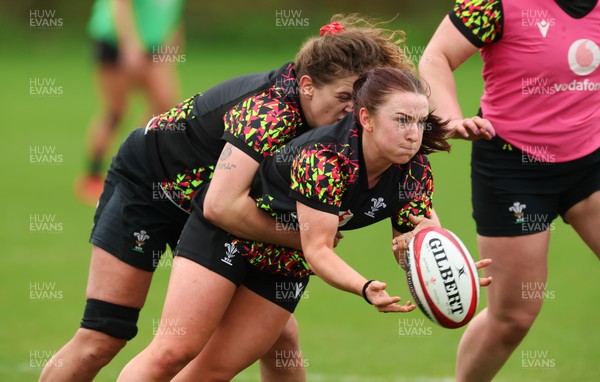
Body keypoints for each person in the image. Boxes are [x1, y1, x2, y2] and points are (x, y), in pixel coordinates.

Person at [40, 15, 415, 382]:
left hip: (211, 208)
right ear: (306, 86)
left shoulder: (334, 132)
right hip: (152, 187)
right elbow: (220, 207)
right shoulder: (271, 112)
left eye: (360, 99)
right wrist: (306, 238)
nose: (352, 111)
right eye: (344, 97)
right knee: (104, 337)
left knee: (280, 336)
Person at [117, 67, 492, 381]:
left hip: (285, 262)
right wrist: (364, 288)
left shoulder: (414, 173)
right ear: (366, 119)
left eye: (421, 122)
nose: (414, 134)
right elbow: (317, 250)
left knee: (211, 373)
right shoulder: (326, 159)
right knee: (172, 352)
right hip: (231, 234)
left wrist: (446, 266)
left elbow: (415, 238)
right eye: (402, 120)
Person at [418, 1, 600, 381]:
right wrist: (450, 118)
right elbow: (436, 56)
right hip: (513, 168)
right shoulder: (494, 4)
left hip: (590, 162)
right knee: (513, 317)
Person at [75, 0, 185, 205]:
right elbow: (119, 5)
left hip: (154, 47)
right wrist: (129, 44)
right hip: (115, 41)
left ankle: (132, 164)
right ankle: (92, 176)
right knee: (116, 112)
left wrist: (173, 47)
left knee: (168, 109)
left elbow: (172, 17)